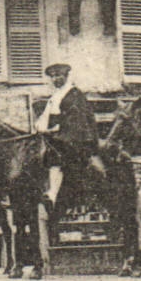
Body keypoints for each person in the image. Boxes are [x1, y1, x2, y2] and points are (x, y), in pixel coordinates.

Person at [36, 63, 101, 207]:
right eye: (52, 76)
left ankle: (53, 193)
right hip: (54, 135)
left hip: (73, 138)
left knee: (55, 155)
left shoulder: (74, 95)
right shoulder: (55, 96)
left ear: (66, 76)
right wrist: (40, 126)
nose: (55, 79)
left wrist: (56, 130)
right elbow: (45, 116)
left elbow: (76, 120)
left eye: (58, 75)